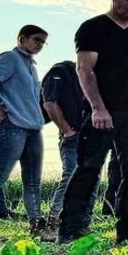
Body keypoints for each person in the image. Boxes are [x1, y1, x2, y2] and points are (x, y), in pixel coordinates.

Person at [58, 0, 128, 244]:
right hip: (101, 113)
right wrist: (98, 108)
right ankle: (70, 230)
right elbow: (85, 69)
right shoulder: (93, 28)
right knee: (89, 169)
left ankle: (127, 231)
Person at [0, 25, 49, 232]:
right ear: (22, 38)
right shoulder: (9, 58)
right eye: (36, 40)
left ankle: (36, 223)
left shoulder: (31, 67)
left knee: (33, 179)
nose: (40, 45)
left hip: (33, 128)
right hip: (12, 126)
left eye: (43, 42)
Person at [41, 58, 88, 229]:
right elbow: (49, 103)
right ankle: (55, 220)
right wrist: (67, 130)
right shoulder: (60, 72)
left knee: (90, 178)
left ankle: (80, 222)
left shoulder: (91, 76)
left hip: (88, 136)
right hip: (72, 135)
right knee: (71, 173)